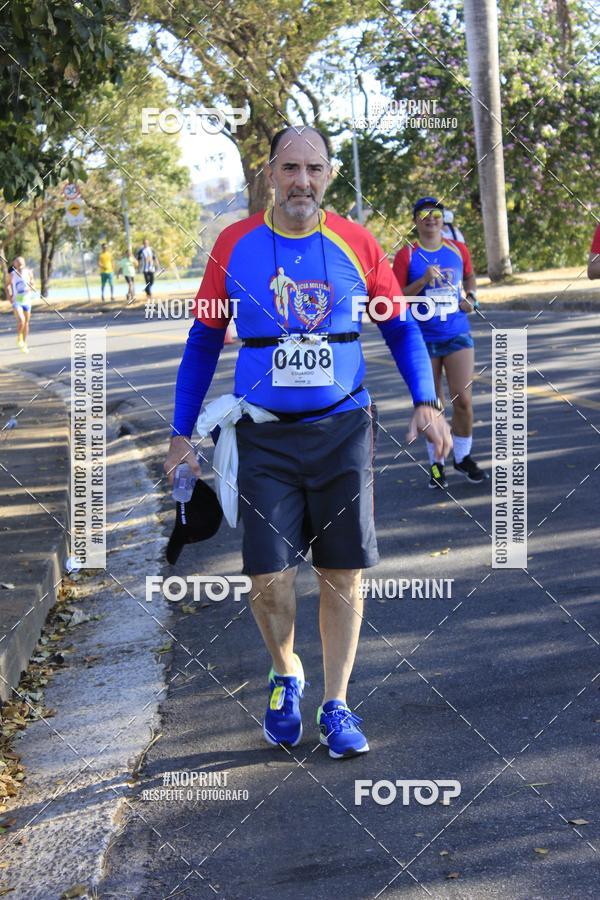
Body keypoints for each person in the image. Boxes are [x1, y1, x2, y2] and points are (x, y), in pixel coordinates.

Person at [164, 126, 451, 759]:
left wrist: (426, 402)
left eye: (313, 169)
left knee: (341, 571)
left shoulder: (356, 241)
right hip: (262, 436)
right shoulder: (235, 244)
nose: (302, 181)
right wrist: (182, 435)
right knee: (268, 573)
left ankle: (337, 700)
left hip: (343, 432)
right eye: (290, 168)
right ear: (269, 173)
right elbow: (203, 341)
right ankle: (285, 672)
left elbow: (400, 328)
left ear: (327, 175)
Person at [393, 197, 487, 488]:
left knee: (464, 399)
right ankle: (437, 465)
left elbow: (470, 278)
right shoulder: (407, 255)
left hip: (457, 333)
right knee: (434, 406)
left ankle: (463, 457)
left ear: (442, 218)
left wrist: (471, 298)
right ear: (416, 221)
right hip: (422, 338)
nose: (431, 218)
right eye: (424, 214)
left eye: (436, 213)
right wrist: (422, 281)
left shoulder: (457, 250)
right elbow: (395, 297)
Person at [9, 256, 34, 353]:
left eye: (21, 262)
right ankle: (19, 337)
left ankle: (24, 343)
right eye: (17, 262)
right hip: (17, 301)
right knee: (21, 320)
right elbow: (7, 285)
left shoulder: (29, 272)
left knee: (26, 323)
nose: (19, 264)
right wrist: (9, 295)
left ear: (24, 263)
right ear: (14, 264)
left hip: (27, 301)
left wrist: (30, 288)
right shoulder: (12, 274)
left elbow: (32, 283)